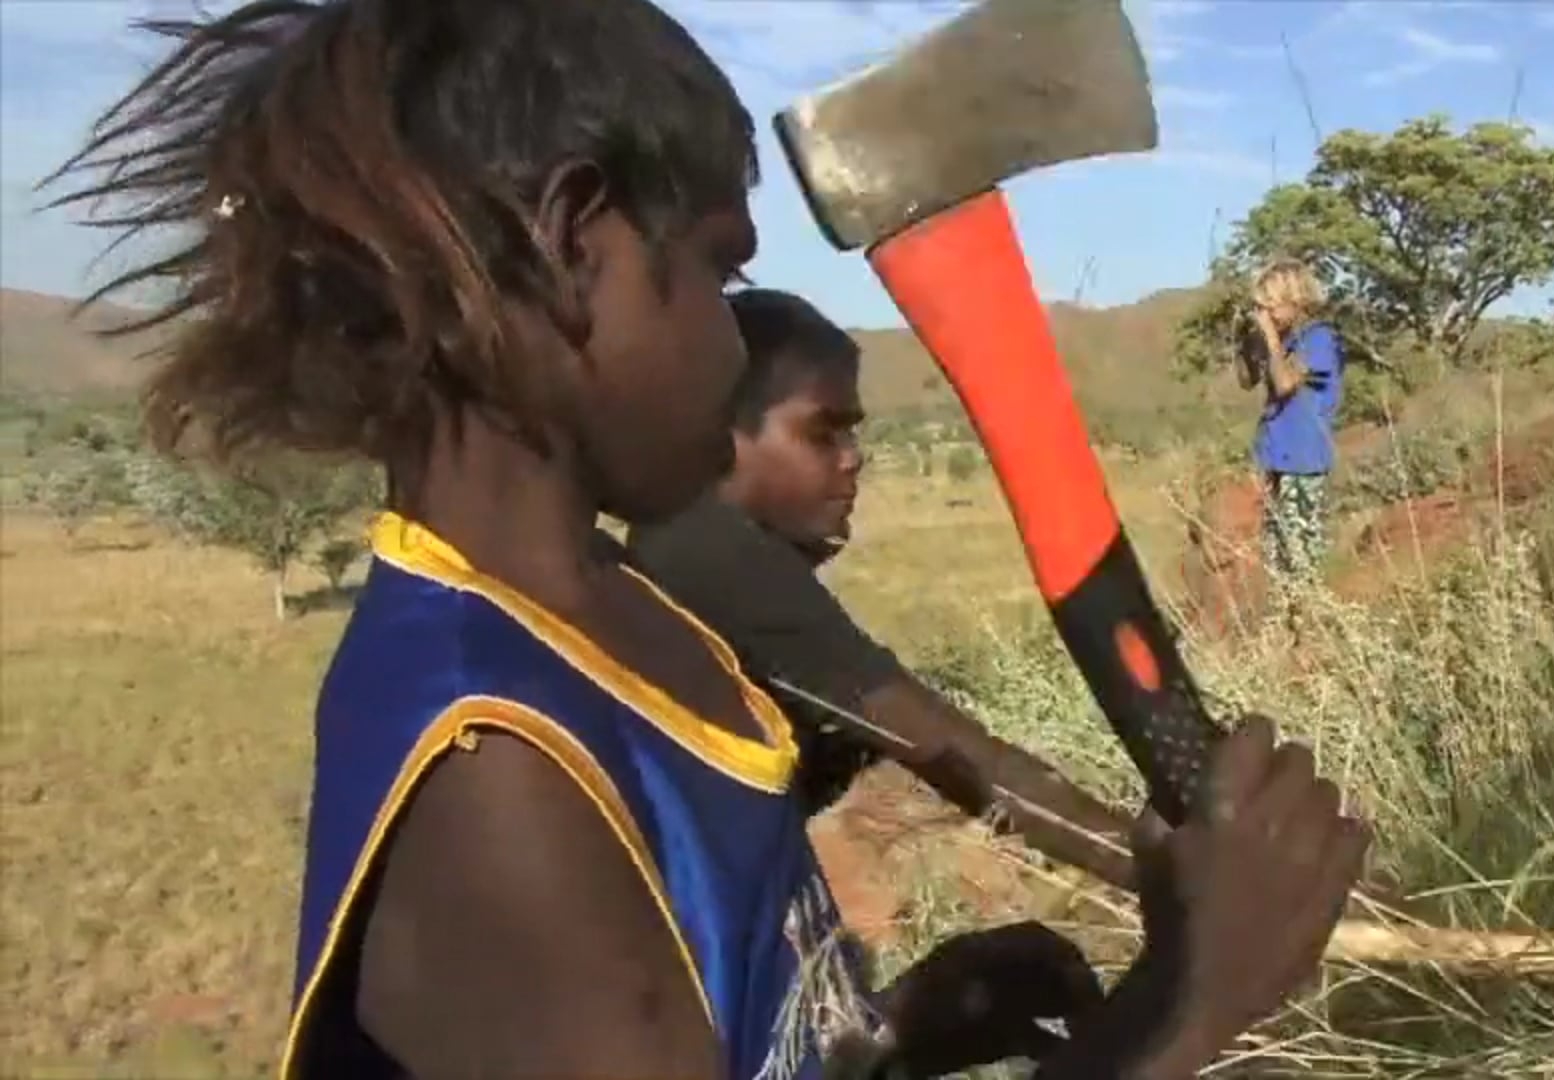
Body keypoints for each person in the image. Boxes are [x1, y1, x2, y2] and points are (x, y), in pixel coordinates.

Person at [47, 2, 1371, 1078]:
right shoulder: (496, 770)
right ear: (572, 242)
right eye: (726, 272)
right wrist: (1182, 1014)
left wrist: (881, 1041)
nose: (740, 338)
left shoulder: (631, 619)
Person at [623, 287, 1136, 889]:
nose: (853, 460)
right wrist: (1153, 869)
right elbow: (951, 753)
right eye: (823, 434)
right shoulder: (711, 553)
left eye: (853, 435)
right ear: (726, 436)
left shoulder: (679, 541)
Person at [1241, 258, 1344, 579]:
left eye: (1270, 306)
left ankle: (1310, 616)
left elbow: (1285, 384)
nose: (1265, 315)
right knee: (1276, 555)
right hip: (1277, 457)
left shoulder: (1319, 339)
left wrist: (1271, 341)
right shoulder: (1283, 342)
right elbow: (1246, 381)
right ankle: (1288, 618)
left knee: (1301, 556)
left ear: (1295, 301)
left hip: (1304, 459)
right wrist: (1245, 341)